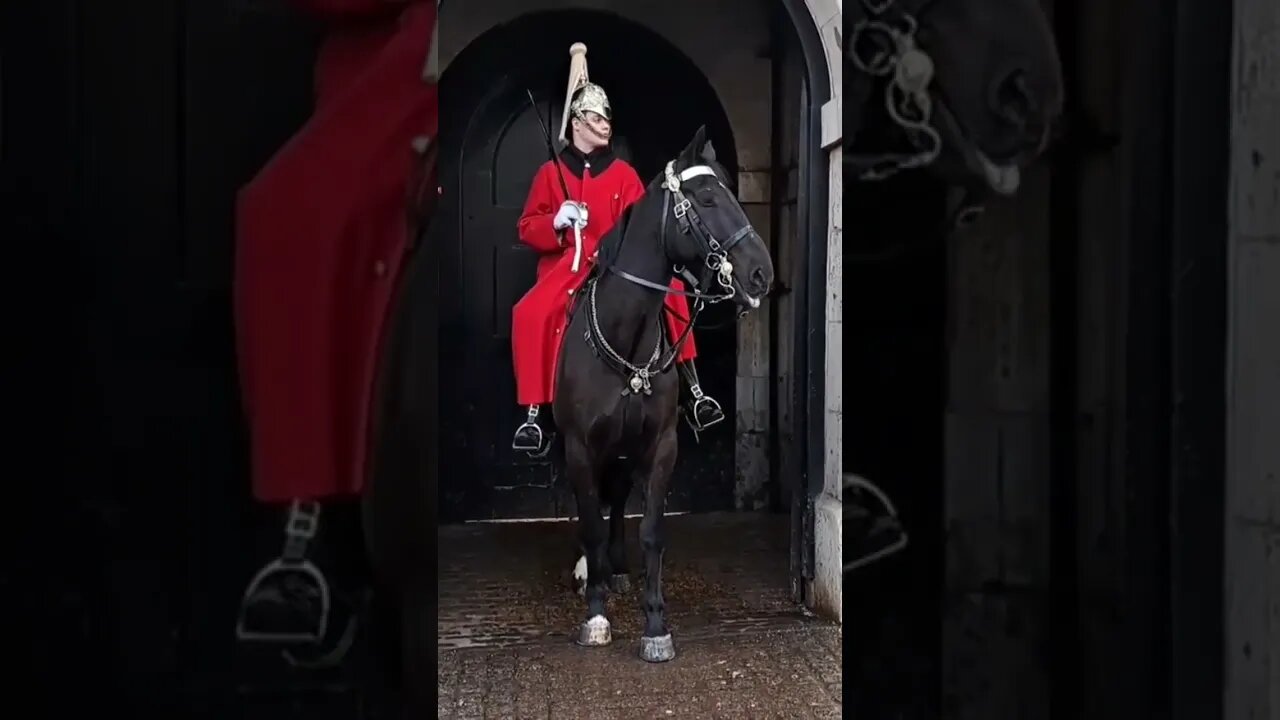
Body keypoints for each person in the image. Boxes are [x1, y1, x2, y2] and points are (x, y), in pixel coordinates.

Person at [509, 42, 724, 455]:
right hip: (566, 271)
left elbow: (644, 225)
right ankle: (534, 415)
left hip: (618, 268)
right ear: (576, 121)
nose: (604, 123)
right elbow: (527, 227)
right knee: (529, 313)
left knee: (675, 296)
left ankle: (695, 393)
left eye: (606, 117)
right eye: (595, 116)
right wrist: (557, 222)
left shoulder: (624, 174)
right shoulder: (549, 175)